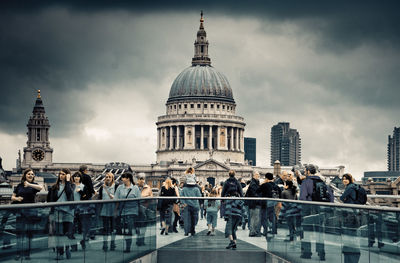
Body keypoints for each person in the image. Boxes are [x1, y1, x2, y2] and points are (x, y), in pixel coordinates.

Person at [299, 164, 333, 261]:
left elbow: (302, 198)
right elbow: (331, 196)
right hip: (321, 211)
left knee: (307, 232)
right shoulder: (322, 182)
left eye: (305, 171)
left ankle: (307, 253)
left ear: (308, 172)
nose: (304, 172)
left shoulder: (306, 182)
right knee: (320, 232)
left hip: (309, 211)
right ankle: (321, 253)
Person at [11, 168, 43, 260]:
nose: (30, 175)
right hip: (20, 212)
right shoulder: (19, 186)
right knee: (19, 234)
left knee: (28, 234)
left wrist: (29, 184)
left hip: (30, 213)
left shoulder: (34, 185)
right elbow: (12, 197)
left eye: (32, 174)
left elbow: (41, 188)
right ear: (25, 175)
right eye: (29, 174)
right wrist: (17, 199)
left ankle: (27, 254)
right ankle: (18, 253)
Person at [47, 168, 74, 260]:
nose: (61, 175)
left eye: (64, 174)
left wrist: (67, 182)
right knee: (59, 233)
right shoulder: (54, 187)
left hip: (69, 212)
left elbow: (69, 192)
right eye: (60, 174)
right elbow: (50, 200)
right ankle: (60, 252)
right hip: (57, 212)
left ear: (68, 175)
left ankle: (67, 247)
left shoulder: (72, 185)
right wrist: (51, 211)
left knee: (68, 233)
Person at [115, 172, 141, 253]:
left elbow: (139, 200)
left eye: (123, 177)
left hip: (132, 212)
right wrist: (116, 211)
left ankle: (128, 247)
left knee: (129, 230)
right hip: (122, 211)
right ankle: (127, 245)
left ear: (128, 178)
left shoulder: (135, 188)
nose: (122, 179)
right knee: (124, 230)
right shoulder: (119, 187)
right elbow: (116, 199)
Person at [340, 173, 361, 263]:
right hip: (354, 212)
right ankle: (351, 254)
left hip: (350, 213)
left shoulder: (349, 187)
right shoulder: (354, 187)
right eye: (343, 179)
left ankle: (350, 254)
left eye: (346, 179)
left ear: (350, 180)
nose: (344, 180)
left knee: (349, 233)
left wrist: (345, 199)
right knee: (352, 233)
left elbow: (341, 198)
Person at [98, 172, 118, 251]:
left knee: (113, 228)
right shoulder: (102, 187)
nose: (108, 178)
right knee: (105, 228)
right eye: (106, 177)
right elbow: (99, 198)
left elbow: (118, 198)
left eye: (109, 177)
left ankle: (112, 243)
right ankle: (105, 244)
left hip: (113, 210)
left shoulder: (116, 186)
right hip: (104, 210)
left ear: (112, 178)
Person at [258, 172, 281, 238]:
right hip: (275, 203)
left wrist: (262, 184)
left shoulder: (264, 185)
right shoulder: (276, 186)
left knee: (263, 218)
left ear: (266, 178)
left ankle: (265, 230)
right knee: (273, 217)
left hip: (266, 204)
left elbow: (257, 191)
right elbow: (280, 194)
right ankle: (274, 230)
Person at [181, 168, 201, 236]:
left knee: (186, 219)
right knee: (194, 219)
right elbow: (199, 197)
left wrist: (184, 203)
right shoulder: (196, 189)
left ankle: (186, 232)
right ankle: (193, 230)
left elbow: (181, 197)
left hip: (186, 205)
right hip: (195, 205)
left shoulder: (184, 189)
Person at [137, 173, 153, 245]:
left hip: (145, 208)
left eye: (143, 179)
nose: (142, 180)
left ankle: (142, 240)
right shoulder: (134, 187)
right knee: (137, 225)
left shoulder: (148, 187)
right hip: (136, 209)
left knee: (144, 225)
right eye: (140, 179)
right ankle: (138, 239)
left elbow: (151, 198)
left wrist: (143, 198)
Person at [246, 171, 261, 237]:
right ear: (253, 176)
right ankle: (253, 231)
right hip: (254, 203)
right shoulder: (253, 184)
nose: (258, 176)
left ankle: (253, 231)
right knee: (255, 218)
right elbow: (254, 194)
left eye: (259, 175)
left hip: (253, 203)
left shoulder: (254, 183)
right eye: (257, 174)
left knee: (253, 217)